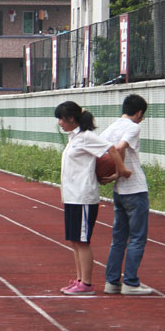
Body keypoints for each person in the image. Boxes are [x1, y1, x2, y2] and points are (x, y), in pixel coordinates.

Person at [54, 101, 131, 295]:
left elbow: (111, 149)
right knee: (74, 240)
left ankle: (86, 284)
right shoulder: (74, 138)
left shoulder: (87, 137)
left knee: (82, 240)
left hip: (83, 197)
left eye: (61, 119)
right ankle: (80, 279)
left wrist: (120, 171)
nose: (59, 123)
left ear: (71, 118)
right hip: (72, 197)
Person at [100, 94, 152, 295]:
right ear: (139, 113)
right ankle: (130, 282)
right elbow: (120, 147)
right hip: (135, 188)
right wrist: (119, 171)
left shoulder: (111, 127)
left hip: (119, 192)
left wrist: (110, 175)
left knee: (119, 238)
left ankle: (112, 282)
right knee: (138, 238)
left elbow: (103, 152)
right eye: (142, 116)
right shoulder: (133, 127)